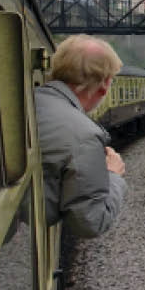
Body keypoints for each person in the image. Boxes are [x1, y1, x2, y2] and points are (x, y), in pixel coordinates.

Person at [35, 35, 127, 239]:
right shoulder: (84, 135)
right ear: (104, 86)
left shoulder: (28, 102)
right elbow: (91, 223)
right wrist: (113, 176)